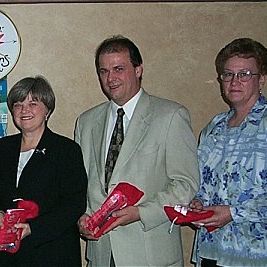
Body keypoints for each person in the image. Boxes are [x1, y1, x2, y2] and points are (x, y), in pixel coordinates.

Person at [75, 35, 200, 266]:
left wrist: (141, 212)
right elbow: (82, 184)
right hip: (102, 253)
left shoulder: (171, 116)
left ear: (138, 69)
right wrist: (82, 217)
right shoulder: (86, 122)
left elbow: (186, 184)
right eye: (103, 71)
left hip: (150, 253)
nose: (110, 78)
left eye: (119, 68)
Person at [0, 76, 87, 266]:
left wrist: (33, 229)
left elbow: (74, 204)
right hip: (9, 257)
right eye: (18, 104)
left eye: (33, 103)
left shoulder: (66, 150)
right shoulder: (0, 149)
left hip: (53, 253)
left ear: (48, 109)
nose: (24, 110)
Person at [189, 38, 267, 267]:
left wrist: (234, 212)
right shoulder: (214, 127)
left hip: (255, 254)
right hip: (212, 249)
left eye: (245, 74)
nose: (235, 81)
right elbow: (200, 180)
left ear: (261, 79)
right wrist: (196, 203)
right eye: (228, 74)